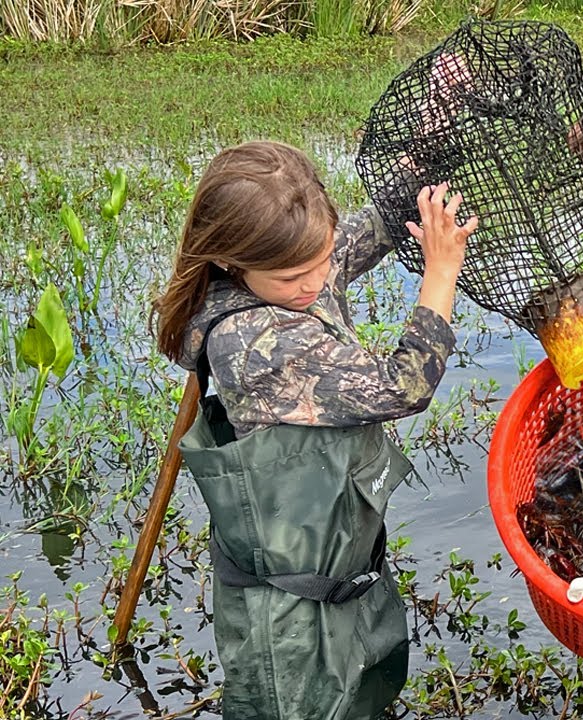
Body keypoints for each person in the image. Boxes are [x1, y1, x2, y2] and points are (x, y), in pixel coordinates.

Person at [152, 141, 476, 720]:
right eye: (292, 276)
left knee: (364, 684)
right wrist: (441, 269)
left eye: (322, 258)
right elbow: (403, 388)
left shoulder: (293, 267)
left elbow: (364, 233)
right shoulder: (253, 343)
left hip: (336, 555)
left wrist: (436, 133)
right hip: (288, 599)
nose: (315, 283)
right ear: (231, 262)